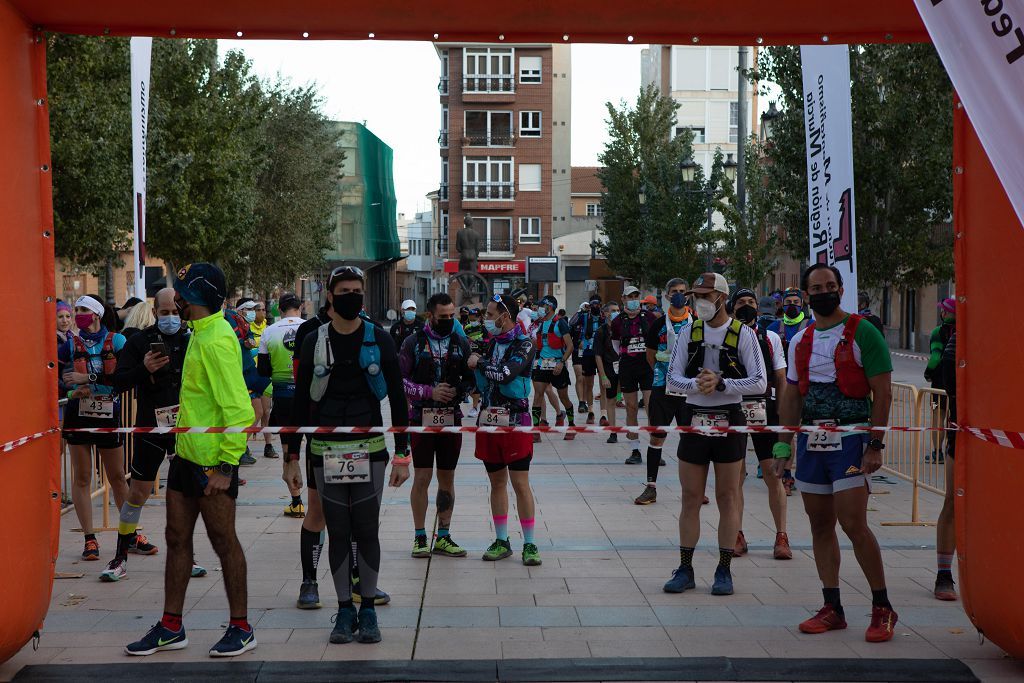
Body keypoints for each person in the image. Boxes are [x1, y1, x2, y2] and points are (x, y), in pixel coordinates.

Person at [126, 263, 257, 657]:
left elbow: (239, 410)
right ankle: (171, 626)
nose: (175, 298)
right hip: (185, 458)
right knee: (175, 538)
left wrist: (226, 467)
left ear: (195, 296)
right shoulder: (198, 333)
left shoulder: (216, 339)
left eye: (180, 291)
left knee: (223, 542)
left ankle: (241, 627)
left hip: (212, 465)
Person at [283, 266, 410, 644]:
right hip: (325, 450)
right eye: (345, 291)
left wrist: (403, 453)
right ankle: (343, 611)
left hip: (370, 448)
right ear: (331, 297)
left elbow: (399, 399)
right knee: (338, 532)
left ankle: (367, 610)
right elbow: (301, 403)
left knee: (367, 530)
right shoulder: (313, 341)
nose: (352, 296)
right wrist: (292, 457)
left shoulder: (380, 339)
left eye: (358, 290)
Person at [771, 263, 898, 643]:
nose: (824, 291)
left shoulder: (865, 333)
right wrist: (783, 445)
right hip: (812, 441)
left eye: (831, 285)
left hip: (851, 439)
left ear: (841, 289)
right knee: (819, 524)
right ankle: (833, 607)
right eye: (817, 287)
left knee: (854, 523)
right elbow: (792, 396)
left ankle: (882, 606)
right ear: (806, 294)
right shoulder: (801, 340)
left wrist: (875, 444)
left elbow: (884, 392)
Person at [663, 273, 766, 597]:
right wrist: (698, 384)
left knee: (728, 496)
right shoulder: (687, 331)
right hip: (695, 418)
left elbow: (761, 382)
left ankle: (724, 569)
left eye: (705, 296)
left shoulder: (743, 334)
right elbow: (672, 378)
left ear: (722, 297)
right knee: (690, 497)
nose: (699, 302)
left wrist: (723, 385)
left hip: (729, 419)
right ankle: (685, 567)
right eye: (696, 296)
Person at [101, 289, 188, 582]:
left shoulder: (192, 339)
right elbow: (119, 382)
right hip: (150, 426)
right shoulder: (139, 341)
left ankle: (187, 556)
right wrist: (144, 369)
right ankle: (120, 557)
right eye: (164, 313)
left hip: (185, 428)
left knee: (184, 495)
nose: (171, 318)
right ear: (154, 311)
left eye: (175, 311)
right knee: (137, 492)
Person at [399, 292, 474, 559]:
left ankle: (444, 535)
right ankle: (420, 536)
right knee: (422, 478)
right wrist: (428, 392)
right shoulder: (413, 343)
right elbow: (400, 381)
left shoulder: (460, 342)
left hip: (451, 420)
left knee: (447, 479)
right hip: (420, 420)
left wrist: (460, 391)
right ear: (430, 315)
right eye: (444, 317)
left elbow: (471, 378)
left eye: (452, 316)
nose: (449, 320)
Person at [469, 294, 542, 566]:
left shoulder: (524, 344)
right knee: (496, 483)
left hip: (516, 423)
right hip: (488, 421)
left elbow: (506, 374)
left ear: (505, 315)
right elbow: (478, 379)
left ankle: (531, 544)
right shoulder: (489, 345)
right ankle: (501, 540)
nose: (487, 320)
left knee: (520, 484)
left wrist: (480, 363)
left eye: (490, 314)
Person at [59, 295, 131, 562]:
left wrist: (88, 379)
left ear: (97, 314)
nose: (77, 315)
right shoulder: (68, 343)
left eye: (83, 310)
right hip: (78, 415)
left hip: (107, 414)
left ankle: (130, 534)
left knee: (118, 477)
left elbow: (123, 379)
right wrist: (71, 388)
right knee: (82, 477)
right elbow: (59, 377)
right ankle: (90, 539)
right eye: (76, 310)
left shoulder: (117, 341)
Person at [729, 289, 792, 560]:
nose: (746, 307)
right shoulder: (725, 335)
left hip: (765, 409)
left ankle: (781, 536)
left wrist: (783, 411)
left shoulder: (770, 338)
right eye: (741, 303)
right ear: (732, 308)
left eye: (750, 303)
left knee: (772, 474)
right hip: (733, 408)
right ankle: (737, 534)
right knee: (735, 476)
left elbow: (780, 375)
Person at [635, 278, 691, 505]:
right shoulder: (657, 325)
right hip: (663, 388)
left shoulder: (696, 322)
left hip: (689, 390)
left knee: (691, 439)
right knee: (657, 437)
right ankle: (651, 487)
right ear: (667, 296)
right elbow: (649, 355)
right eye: (674, 291)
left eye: (682, 291)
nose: (678, 295)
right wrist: (663, 374)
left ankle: (693, 488)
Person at [258, 293, 307, 516]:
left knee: (289, 453)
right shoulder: (312, 329)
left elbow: (263, 371)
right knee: (316, 449)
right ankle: (319, 502)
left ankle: (296, 501)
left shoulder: (268, 332)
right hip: (310, 399)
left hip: (284, 399)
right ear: (301, 307)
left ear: (279, 308)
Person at [610, 285, 656, 464]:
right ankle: (634, 449)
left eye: (636, 296)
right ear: (623, 299)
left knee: (651, 405)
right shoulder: (617, 321)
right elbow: (615, 344)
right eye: (630, 297)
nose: (633, 299)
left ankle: (655, 447)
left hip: (647, 366)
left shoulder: (650, 317)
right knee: (631, 407)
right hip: (628, 366)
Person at [530, 295, 576, 441]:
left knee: (564, 397)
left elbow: (570, 346)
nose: (539, 309)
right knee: (537, 396)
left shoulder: (560, 323)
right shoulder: (540, 324)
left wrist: (561, 362)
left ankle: (572, 425)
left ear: (549, 307)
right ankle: (536, 430)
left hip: (557, 364)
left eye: (542, 306)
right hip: (542, 364)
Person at [934, 329, 958, 601]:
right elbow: (946, 377)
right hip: (962, 431)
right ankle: (944, 574)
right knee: (952, 501)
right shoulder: (958, 336)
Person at [924, 298, 956, 463]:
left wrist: (928, 372)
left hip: (939, 381)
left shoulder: (938, 331)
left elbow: (936, 356)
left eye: (943, 310)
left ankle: (937, 453)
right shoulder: (962, 329)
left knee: (938, 415)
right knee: (954, 417)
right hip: (957, 381)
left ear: (946, 313)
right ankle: (952, 450)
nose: (941, 312)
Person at [570, 298, 602, 424]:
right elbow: (570, 326)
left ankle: (588, 405)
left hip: (591, 352)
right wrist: (580, 312)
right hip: (578, 351)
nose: (593, 307)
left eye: (596, 304)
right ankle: (581, 402)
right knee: (579, 377)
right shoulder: (580, 317)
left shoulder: (600, 318)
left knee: (587, 381)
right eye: (590, 305)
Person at [593, 302, 621, 444]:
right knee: (611, 400)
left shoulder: (624, 328)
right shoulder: (601, 331)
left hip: (625, 368)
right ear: (605, 313)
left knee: (630, 401)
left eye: (617, 310)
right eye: (612, 310)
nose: (615, 313)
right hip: (609, 368)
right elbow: (598, 355)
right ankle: (613, 431)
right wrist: (603, 376)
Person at [463, 306, 486, 418]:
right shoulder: (466, 328)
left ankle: (475, 407)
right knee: (470, 384)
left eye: (475, 318)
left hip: (481, 359)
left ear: (479, 317)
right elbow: (463, 340)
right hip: (469, 358)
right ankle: (477, 403)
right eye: (471, 318)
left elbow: (487, 342)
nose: (473, 321)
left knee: (477, 384)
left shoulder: (484, 328)